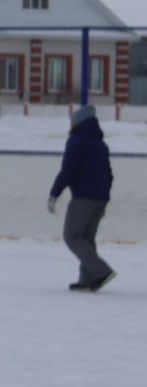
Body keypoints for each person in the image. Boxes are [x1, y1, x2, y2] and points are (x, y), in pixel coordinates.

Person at [50, 103, 116, 292]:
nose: (70, 127)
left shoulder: (76, 141)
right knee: (86, 238)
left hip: (83, 198)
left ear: (78, 123)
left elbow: (67, 171)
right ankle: (87, 278)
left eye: (71, 123)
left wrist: (54, 193)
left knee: (71, 236)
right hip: (101, 198)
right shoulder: (101, 145)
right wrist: (104, 194)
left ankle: (100, 270)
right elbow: (109, 174)